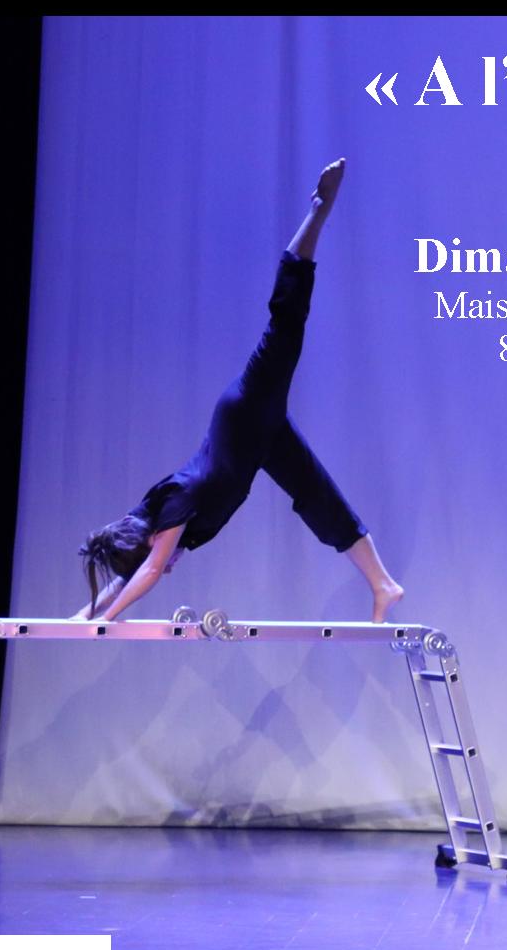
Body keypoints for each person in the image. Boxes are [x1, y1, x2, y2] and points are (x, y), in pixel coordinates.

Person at [73, 159, 404, 624]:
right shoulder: (163, 529)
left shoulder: (172, 512)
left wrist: (105, 623)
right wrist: (83, 616)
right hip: (257, 440)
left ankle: (317, 213)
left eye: (155, 559)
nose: (165, 568)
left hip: (246, 414)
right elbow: (137, 570)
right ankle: (383, 585)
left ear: (149, 542)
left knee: (285, 326)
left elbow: (147, 570)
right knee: (317, 498)